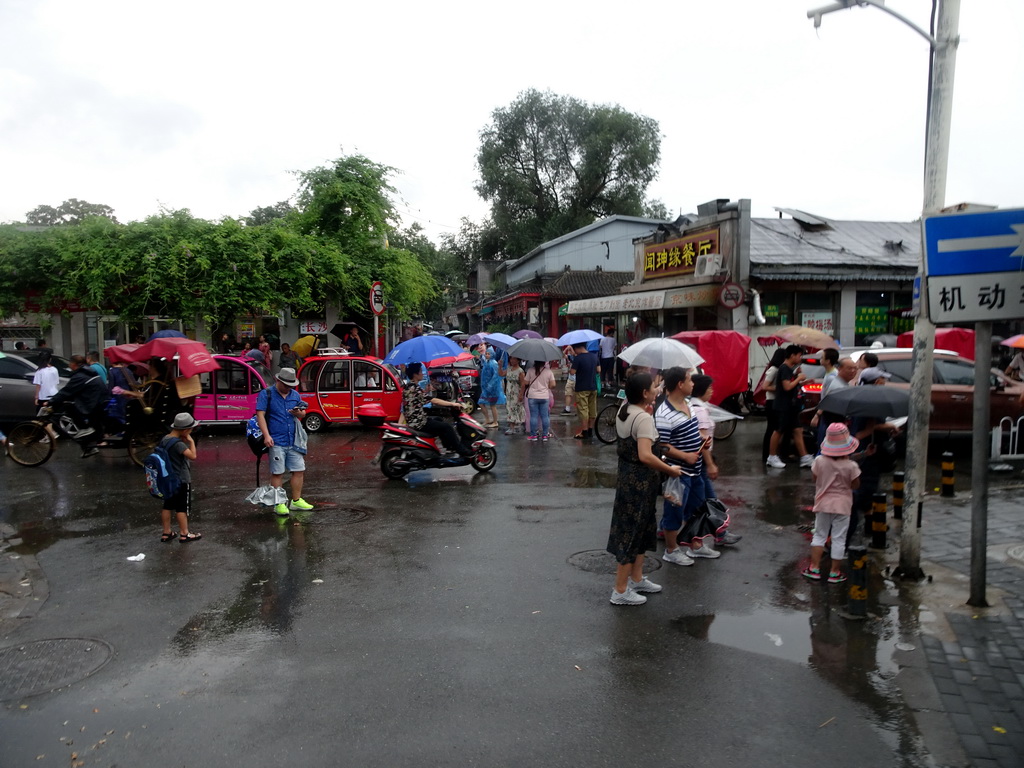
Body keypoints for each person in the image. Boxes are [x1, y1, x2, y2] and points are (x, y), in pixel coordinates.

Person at [607, 372, 684, 605]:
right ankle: (620, 590)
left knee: (640, 529)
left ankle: (637, 578)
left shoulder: (626, 410)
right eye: (653, 387)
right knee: (632, 533)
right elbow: (645, 455)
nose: (657, 389)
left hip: (629, 479)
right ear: (644, 393)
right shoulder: (643, 418)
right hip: (639, 482)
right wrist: (671, 470)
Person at [655, 367, 718, 564]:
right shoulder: (664, 414)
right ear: (680, 385)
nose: (693, 384)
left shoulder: (688, 404)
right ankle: (671, 550)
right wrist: (684, 456)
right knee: (674, 512)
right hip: (677, 472)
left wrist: (702, 441)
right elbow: (662, 447)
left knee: (697, 509)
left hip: (695, 470)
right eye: (689, 380)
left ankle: (696, 546)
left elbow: (693, 432)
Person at [802, 423, 862, 583]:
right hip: (843, 506)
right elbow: (855, 485)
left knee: (820, 535)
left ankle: (814, 568)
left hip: (823, 504)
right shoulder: (851, 465)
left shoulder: (820, 461)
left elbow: (815, 479)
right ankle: (835, 572)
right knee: (839, 538)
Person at [690, 375, 741, 546]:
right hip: (702, 461)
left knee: (693, 500)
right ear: (701, 390)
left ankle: (665, 529)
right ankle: (720, 534)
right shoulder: (700, 410)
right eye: (709, 388)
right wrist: (710, 463)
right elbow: (703, 441)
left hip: (697, 461)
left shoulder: (694, 406)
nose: (712, 391)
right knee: (710, 500)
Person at [256, 367, 314, 516]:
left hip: (294, 440)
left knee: (299, 470)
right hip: (276, 440)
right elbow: (260, 415)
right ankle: (279, 503)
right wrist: (267, 436)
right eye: (286, 385)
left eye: (291, 385)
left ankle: (296, 500)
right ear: (278, 380)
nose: (289, 388)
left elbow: (303, 412)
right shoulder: (267, 394)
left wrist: (299, 413)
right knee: (278, 472)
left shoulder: (294, 394)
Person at [402, 362, 474, 457]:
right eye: (420, 372)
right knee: (447, 427)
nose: (422, 374)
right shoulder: (414, 388)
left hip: (415, 419)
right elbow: (433, 400)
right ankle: (460, 449)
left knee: (439, 420)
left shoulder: (408, 386)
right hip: (419, 422)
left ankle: (449, 448)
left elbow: (419, 399)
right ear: (415, 374)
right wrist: (452, 404)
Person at [48, 354, 107, 457]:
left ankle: (84, 432)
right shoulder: (88, 372)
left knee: (67, 410)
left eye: (70, 363)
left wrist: (51, 401)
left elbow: (66, 391)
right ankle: (89, 446)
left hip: (92, 401)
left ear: (74, 364)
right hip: (98, 399)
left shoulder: (80, 375)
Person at [766, 345, 813, 469]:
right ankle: (771, 457)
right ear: (792, 355)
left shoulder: (790, 369)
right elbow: (787, 387)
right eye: (799, 355)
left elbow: (790, 385)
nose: (800, 358)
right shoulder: (784, 368)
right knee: (778, 431)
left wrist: (803, 381)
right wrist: (799, 379)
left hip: (791, 407)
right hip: (783, 406)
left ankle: (804, 457)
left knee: (798, 430)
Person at [158, 413, 202, 543]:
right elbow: (193, 456)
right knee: (181, 507)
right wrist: (191, 441)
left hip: (168, 479)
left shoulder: (165, 439)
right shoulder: (179, 444)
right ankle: (185, 533)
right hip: (181, 479)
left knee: (167, 505)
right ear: (185, 430)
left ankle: (166, 532)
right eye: (191, 429)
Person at [810, 356, 858, 449]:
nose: (853, 371)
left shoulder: (842, 383)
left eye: (855, 368)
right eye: (849, 368)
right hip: (833, 427)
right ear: (839, 368)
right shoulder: (838, 387)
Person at [760, 347, 787, 463]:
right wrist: (779, 388)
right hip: (771, 402)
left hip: (776, 401)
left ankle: (771, 454)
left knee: (775, 429)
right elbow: (765, 386)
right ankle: (767, 455)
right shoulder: (774, 369)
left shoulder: (780, 369)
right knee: (771, 429)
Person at [571, 342, 600, 439]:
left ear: (577, 348)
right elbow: (599, 370)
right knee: (592, 409)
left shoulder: (578, 358)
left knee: (583, 410)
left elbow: (572, 372)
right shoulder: (594, 356)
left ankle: (584, 432)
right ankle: (590, 430)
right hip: (593, 387)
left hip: (582, 387)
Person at [524, 360, 556, 442]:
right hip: (544, 396)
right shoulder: (548, 371)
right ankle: (545, 435)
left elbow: (526, 382)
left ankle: (533, 435)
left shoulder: (530, 370)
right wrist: (546, 387)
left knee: (533, 416)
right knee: (545, 416)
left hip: (532, 396)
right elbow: (553, 384)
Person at [32, 350, 60, 441]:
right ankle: (50, 433)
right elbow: (56, 382)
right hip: (54, 395)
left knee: (41, 417)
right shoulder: (54, 369)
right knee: (50, 416)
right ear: (50, 359)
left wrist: (36, 397)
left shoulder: (39, 371)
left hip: (43, 396)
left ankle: (50, 434)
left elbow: (38, 385)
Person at [477, 347, 504, 428]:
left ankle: (495, 422)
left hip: (492, 389)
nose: (487, 355)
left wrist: (490, 386)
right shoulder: (487, 362)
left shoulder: (494, 363)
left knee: (492, 405)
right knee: (481, 403)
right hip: (486, 388)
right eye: (486, 354)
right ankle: (487, 419)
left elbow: (496, 376)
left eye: (489, 354)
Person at [503, 357, 526, 435]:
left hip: (516, 392)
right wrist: (499, 366)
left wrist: (521, 394)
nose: (512, 361)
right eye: (511, 359)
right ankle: (512, 426)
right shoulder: (509, 369)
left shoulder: (520, 371)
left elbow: (523, 384)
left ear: (518, 360)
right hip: (509, 392)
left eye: (514, 359)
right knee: (509, 408)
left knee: (515, 408)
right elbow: (501, 374)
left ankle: (515, 425)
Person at [561, 346, 575, 415]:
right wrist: (566, 349)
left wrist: (571, 349)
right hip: (571, 378)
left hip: (578, 379)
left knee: (579, 395)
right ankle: (567, 408)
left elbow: (575, 356)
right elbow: (563, 355)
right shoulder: (570, 357)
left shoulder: (578, 357)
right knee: (568, 393)